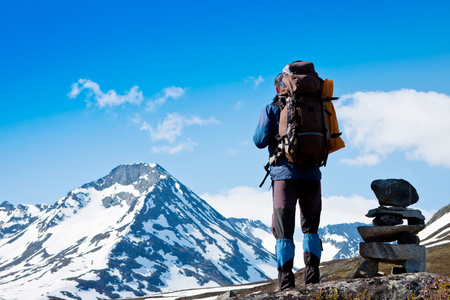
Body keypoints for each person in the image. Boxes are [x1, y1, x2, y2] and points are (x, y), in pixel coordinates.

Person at [253, 72, 323, 290]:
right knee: (311, 229)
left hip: (284, 177)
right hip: (312, 174)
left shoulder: (272, 108)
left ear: (279, 89)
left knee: (284, 232)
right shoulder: (317, 105)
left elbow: (259, 141)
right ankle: (312, 281)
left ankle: (285, 285)